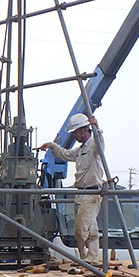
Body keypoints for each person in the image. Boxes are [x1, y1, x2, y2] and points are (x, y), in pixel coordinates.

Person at [39, 112, 104, 263]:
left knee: (81, 231)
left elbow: (100, 143)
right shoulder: (81, 150)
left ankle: (87, 259)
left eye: (75, 132)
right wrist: (52, 146)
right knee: (90, 229)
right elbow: (66, 154)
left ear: (83, 130)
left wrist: (96, 127)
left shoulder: (94, 146)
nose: (74, 136)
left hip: (91, 193)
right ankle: (91, 258)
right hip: (81, 193)